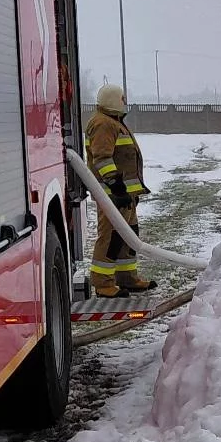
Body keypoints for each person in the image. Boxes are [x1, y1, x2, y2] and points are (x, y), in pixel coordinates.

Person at [85, 83, 156, 297]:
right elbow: (102, 158)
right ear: (114, 100)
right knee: (111, 237)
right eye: (123, 98)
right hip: (112, 195)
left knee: (128, 235)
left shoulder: (113, 122)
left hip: (125, 196)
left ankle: (126, 278)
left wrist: (130, 193)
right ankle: (103, 283)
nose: (125, 102)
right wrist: (116, 188)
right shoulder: (103, 124)